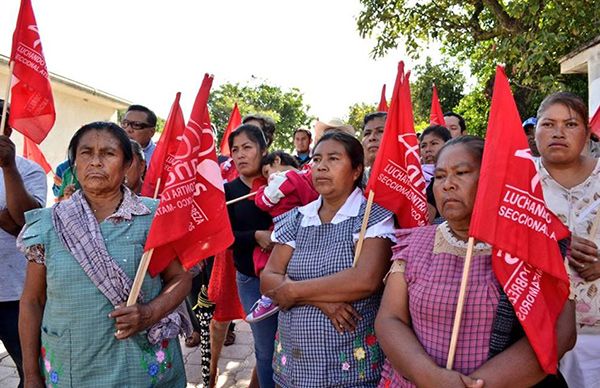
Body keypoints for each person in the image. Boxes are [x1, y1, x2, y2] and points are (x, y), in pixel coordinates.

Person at [376, 135, 576, 387]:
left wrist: (477, 384)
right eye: (439, 176)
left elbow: (560, 333)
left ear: (492, 179)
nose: (447, 184)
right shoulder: (415, 242)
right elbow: (389, 319)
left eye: (461, 172)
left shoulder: (534, 245)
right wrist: (430, 377)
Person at [18, 122, 191, 387]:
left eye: (108, 153)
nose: (95, 162)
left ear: (127, 164)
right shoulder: (49, 224)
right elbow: (32, 300)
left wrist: (149, 313)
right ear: (74, 163)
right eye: (86, 153)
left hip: (141, 366)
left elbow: (180, 279)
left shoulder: (152, 217)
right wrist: (30, 375)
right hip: (72, 365)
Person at [261, 131, 396, 387]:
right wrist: (323, 301)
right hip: (294, 362)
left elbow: (366, 280)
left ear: (356, 170)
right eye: (316, 159)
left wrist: (293, 290)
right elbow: (268, 281)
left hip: (350, 368)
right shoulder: (297, 218)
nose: (321, 166)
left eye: (333, 159)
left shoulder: (372, 217)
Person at [533, 92, 600, 387]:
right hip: (533, 335)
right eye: (548, 124)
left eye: (570, 124)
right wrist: (554, 246)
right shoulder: (518, 181)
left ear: (586, 132)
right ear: (535, 132)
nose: (558, 132)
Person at [225, 124, 277, 388]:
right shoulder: (227, 191)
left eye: (247, 147)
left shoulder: (281, 182)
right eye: (235, 149)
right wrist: (255, 236)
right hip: (251, 280)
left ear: (263, 150)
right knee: (266, 349)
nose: (240, 155)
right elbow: (224, 237)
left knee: (291, 346)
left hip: (290, 279)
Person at [0, 100, 47, 388]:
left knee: (30, 370)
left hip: (15, 293)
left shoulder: (29, 171)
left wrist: (8, 167)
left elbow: (25, 221)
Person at [246, 151, 319, 323]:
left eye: (266, 172)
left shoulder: (282, 178)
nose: (267, 177)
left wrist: (261, 191)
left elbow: (265, 202)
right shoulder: (307, 176)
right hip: (305, 224)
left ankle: (270, 297)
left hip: (285, 224)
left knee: (263, 258)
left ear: (277, 160)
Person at [419, 125, 452, 223]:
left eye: (434, 143)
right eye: (423, 146)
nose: (428, 149)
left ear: (447, 145)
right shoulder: (412, 177)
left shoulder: (450, 177)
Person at [362, 112, 387, 180]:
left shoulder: (414, 179)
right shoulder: (353, 181)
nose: (372, 137)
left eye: (381, 131)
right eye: (367, 133)